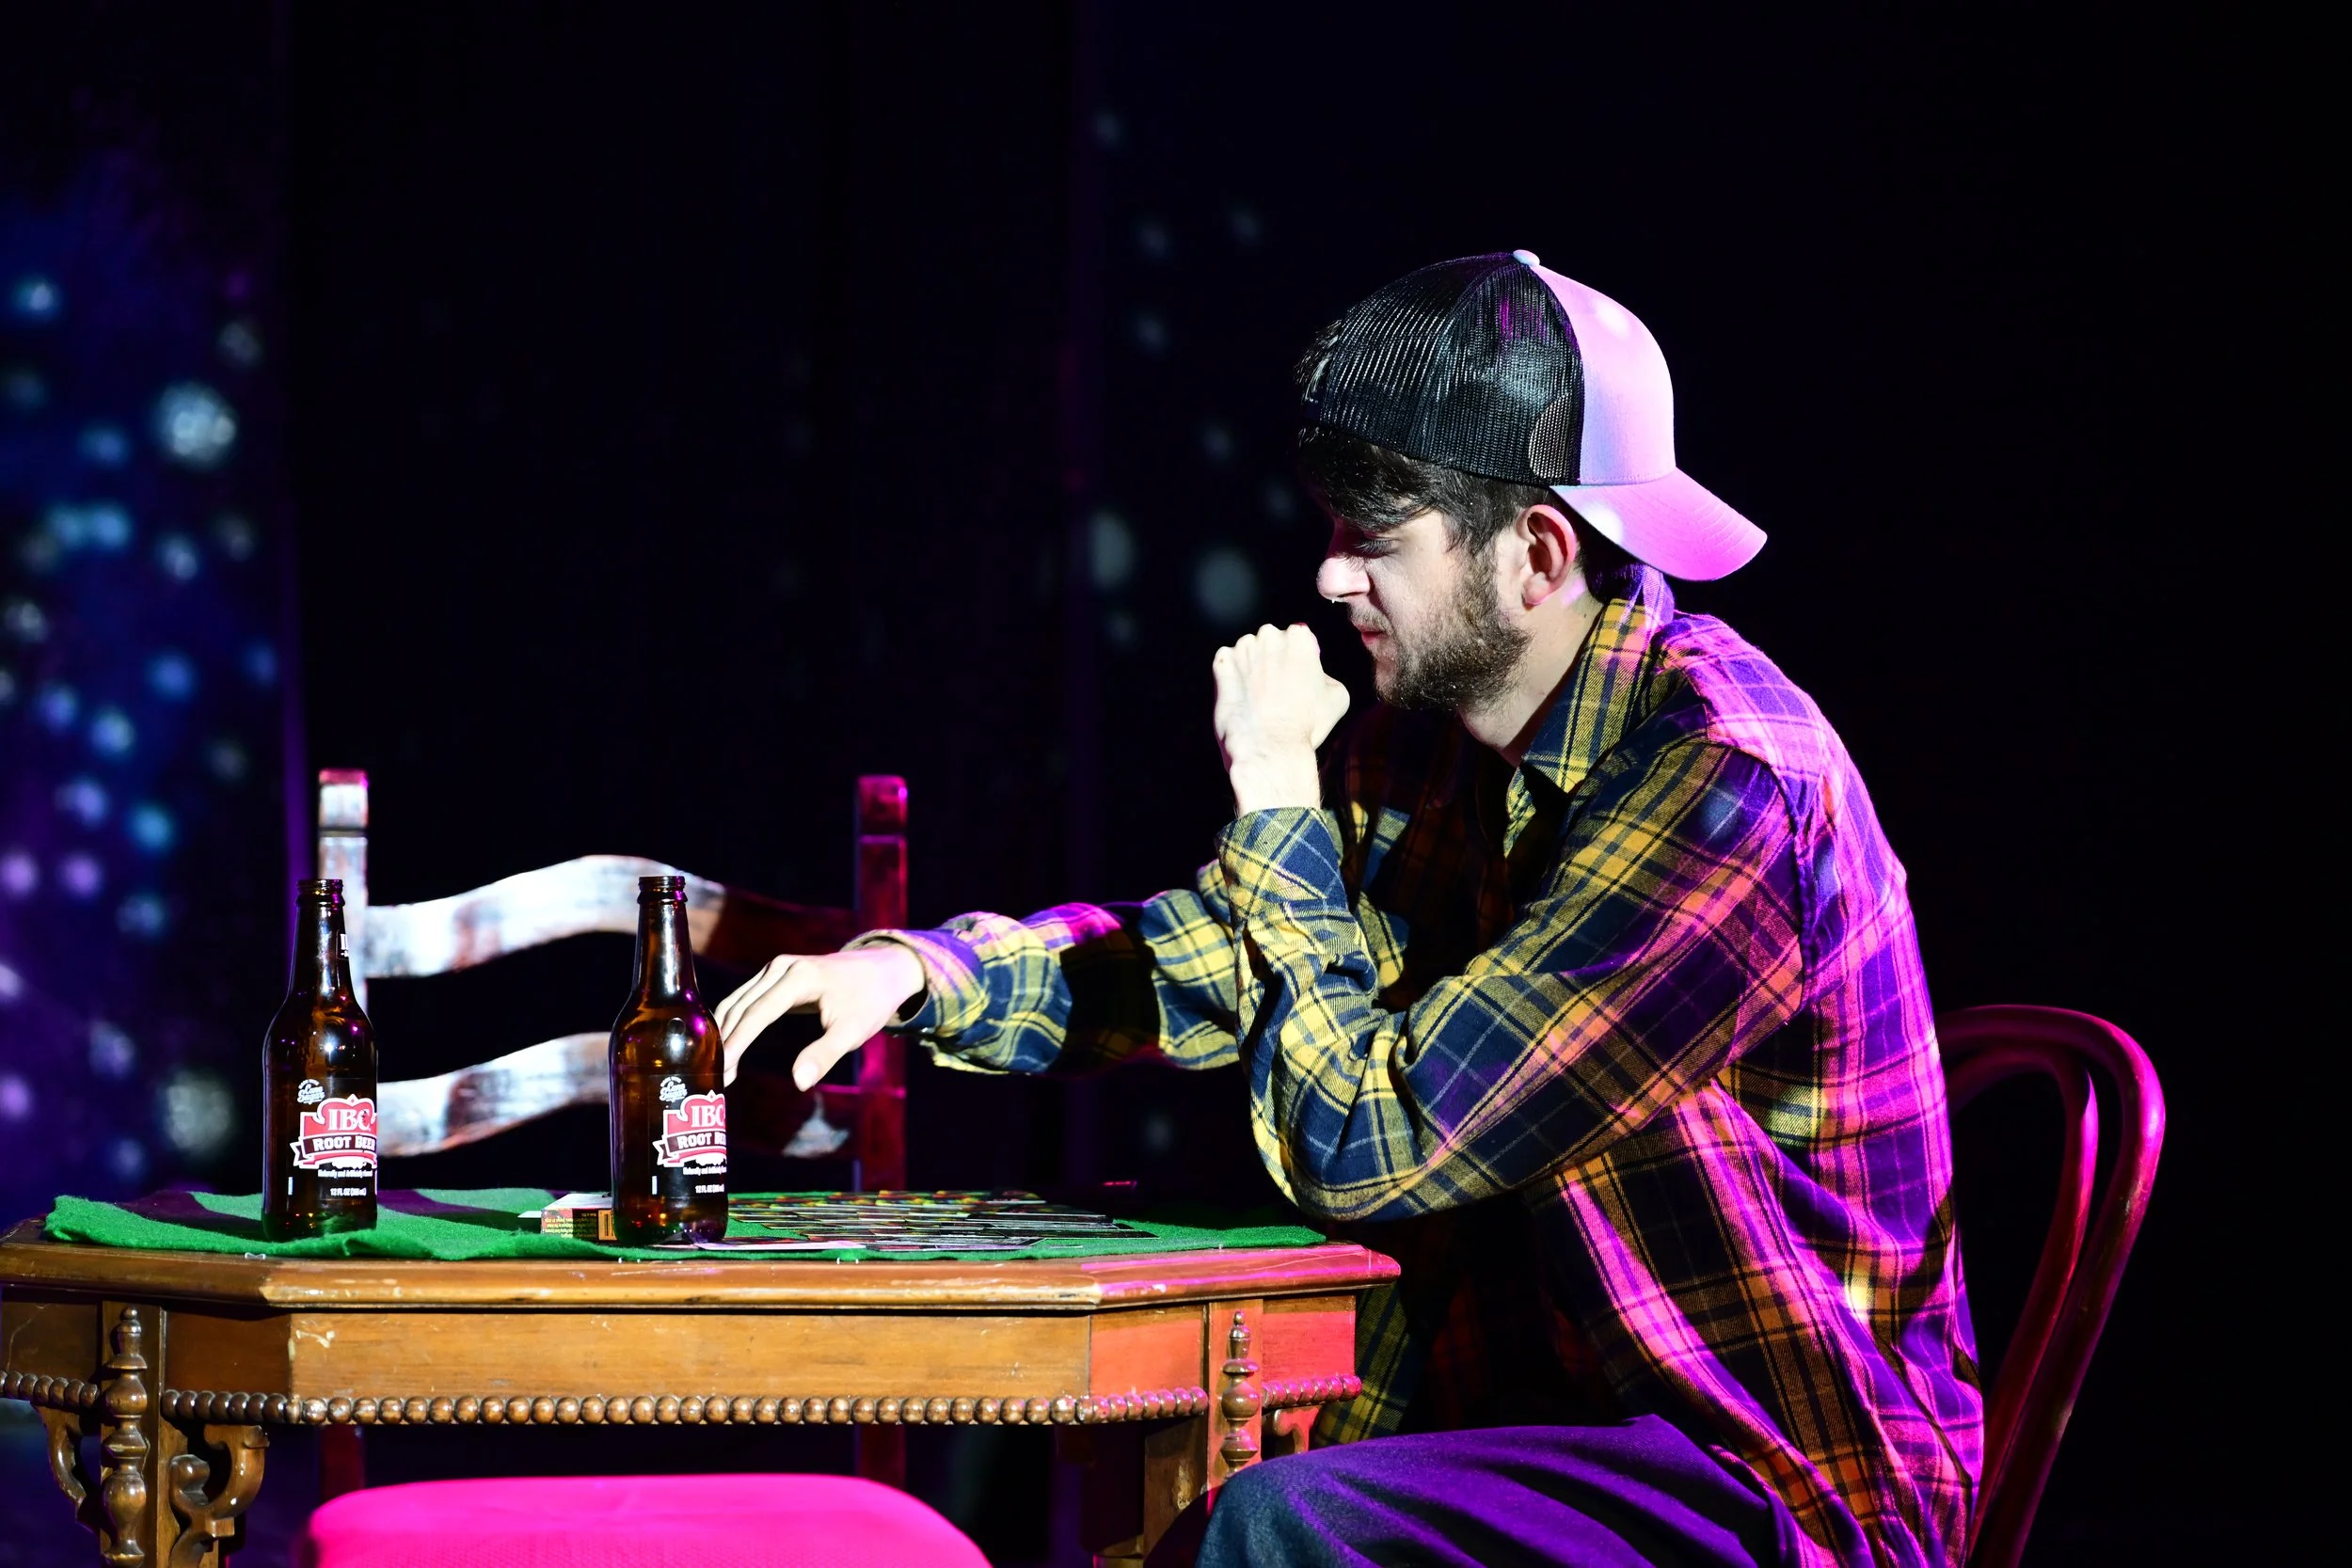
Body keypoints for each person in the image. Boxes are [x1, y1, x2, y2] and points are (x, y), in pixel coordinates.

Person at [716, 251, 1979, 1567]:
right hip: (1549, 1421)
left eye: (1374, 538)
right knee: (1204, 1496)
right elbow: (1241, 958)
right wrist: (919, 974)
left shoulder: (1726, 786)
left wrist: (1276, 796)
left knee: (1279, 1525)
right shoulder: (1436, 741)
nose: (1327, 576)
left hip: (1768, 1480)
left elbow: (1372, 1136)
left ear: (1538, 553)